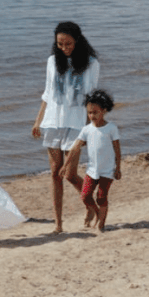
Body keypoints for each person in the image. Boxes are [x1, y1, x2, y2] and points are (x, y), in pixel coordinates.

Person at [31, 21, 100, 234]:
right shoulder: (52, 61)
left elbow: (92, 97)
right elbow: (47, 93)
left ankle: (90, 204)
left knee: (69, 174)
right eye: (60, 44)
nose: (64, 48)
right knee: (54, 173)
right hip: (53, 121)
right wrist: (38, 120)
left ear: (77, 41)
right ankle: (58, 224)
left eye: (68, 44)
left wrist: (91, 128)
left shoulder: (91, 63)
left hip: (77, 122)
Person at [60, 90, 121, 232]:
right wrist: (65, 165)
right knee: (85, 196)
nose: (92, 116)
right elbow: (75, 148)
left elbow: (117, 150)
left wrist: (118, 168)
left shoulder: (111, 128)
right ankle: (96, 212)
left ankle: (101, 224)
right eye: (89, 113)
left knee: (101, 197)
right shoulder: (86, 129)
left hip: (107, 171)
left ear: (104, 111)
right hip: (92, 170)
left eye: (95, 112)